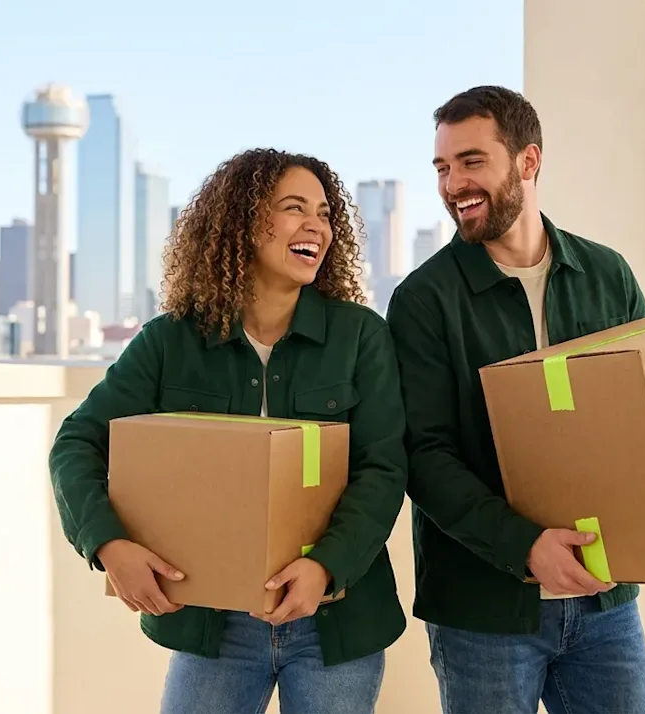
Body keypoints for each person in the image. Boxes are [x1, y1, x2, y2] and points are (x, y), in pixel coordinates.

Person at [49, 148, 409, 714]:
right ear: (242, 221)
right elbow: (77, 442)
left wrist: (324, 567)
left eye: (324, 213)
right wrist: (108, 545)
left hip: (335, 623)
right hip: (211, 628)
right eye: (294, 208)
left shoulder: (360, 336)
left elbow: (383, 468)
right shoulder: (170, 341)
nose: (316, 225)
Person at [385, 85, 645, 713]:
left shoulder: (605, 274)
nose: (453, 184)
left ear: (528, 161)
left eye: (471, 161)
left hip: (603, 601)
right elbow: (423, 456)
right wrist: (524, 547)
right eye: (442, 168)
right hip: (483, 613)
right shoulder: (425, 301)